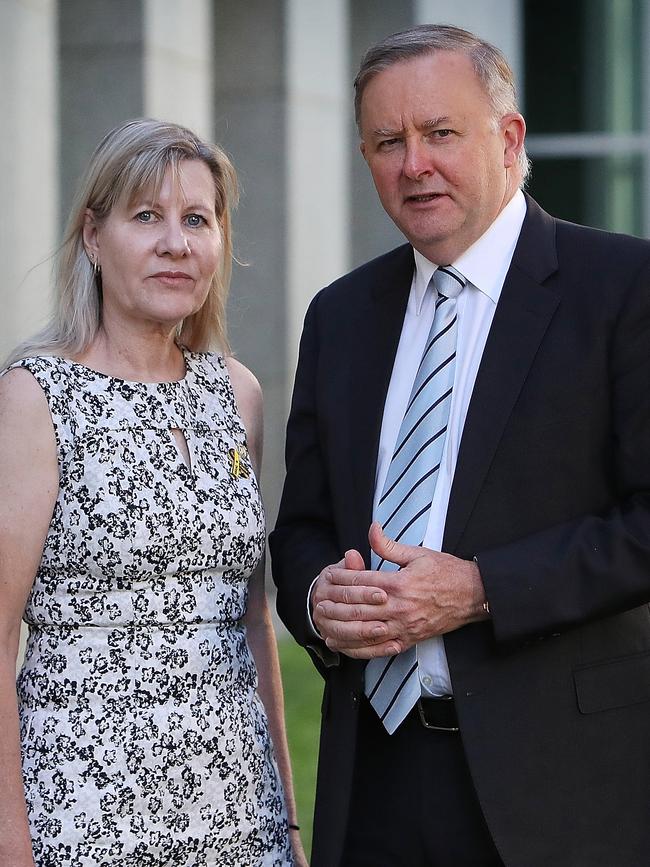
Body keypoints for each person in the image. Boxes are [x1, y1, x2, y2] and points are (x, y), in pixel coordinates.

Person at [270, 23, 650, 867]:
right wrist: (320, 603)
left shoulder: (623, 287)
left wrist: (483, 589)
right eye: (387, 141)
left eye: (440, 133)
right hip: (377, 780)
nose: (414, 164)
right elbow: (299, 528)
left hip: (566, 790)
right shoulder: (339, 316)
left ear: (508, 138)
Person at [0, 118, 307, 867]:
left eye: (196, 220)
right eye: (147, 217)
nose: (176, 243)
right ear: (93, 238)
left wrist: (289, 825)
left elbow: (251, 617)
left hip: (240, 815)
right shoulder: (36, 396)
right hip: (84, 816)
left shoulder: (237, 395)